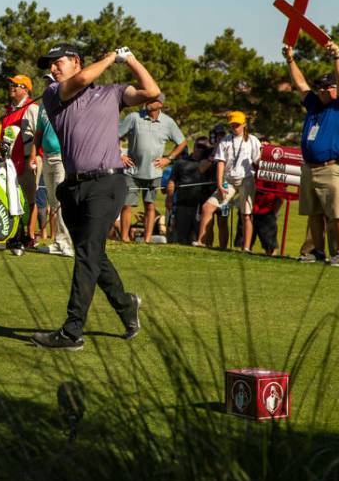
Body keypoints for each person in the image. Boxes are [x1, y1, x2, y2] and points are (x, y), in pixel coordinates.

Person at [30, 44, 159, 351]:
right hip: (73, 187)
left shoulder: (113, 92)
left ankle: (72, 331)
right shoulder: (54, 92)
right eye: (50, 64)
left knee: (87, 254)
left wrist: (131, 60)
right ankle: (126, 305)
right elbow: (80, 81)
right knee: (94, 256)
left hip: (107, 183)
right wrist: (111, 57)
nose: (53, 68)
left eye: (58, 62)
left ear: (75, 60)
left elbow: (152, 92)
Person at [284, 42, 339, 266]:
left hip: (331, 167)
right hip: (310, 167)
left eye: (328, 87)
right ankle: (317, 251)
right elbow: (300, 84)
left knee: (338, 213)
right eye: (320, 88)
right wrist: (290, 60)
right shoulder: (314, 105)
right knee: (314, 213)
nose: (323, 91)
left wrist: (336, 56)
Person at [118, 93, 187, 243]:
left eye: (152, 100)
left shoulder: (168, 122)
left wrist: (168, 159)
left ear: (160, 104)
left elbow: (182, 142)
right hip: (132, 171)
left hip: (154, 173)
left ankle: (147, 240)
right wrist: (120, 155)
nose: (147, 102)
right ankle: (124, 238)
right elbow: (114, 136)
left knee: (150, 205)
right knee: (127, 205)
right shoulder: (134, 117)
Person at [192, 111, 261, 250]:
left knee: (246, 215)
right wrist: (219, 183)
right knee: (207, 207)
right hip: (228, 181)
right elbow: (221, 163)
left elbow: (257, 161)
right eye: (232, 124)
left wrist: (264, 154)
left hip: (246, 179)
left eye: (237, 124)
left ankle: (246, 248)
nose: (235, 126)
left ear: (244, 124)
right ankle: (201, 241)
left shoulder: (253, 140)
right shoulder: (225, 141)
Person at [0, 74, 40, 249]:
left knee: (29, 200)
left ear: (25, 88)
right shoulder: (9, 110)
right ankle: (17, 233)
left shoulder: (32, 108)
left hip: (27, 159)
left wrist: (32, 158)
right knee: (14, 198)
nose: (12, 87)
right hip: (11, 160)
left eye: (15, 85)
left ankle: (29, 236)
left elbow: (38, 135)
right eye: (10, 84)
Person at [28, 104, 73, 256]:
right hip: (46, 156)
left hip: (62, 156)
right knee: (53, 201)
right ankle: (58, 242)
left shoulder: (68, 102)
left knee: (61, 201)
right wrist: (34, 154)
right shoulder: (43, 107)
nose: (49, 85)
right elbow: (39, 133)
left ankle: (67, 244)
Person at [166, 137, 213, 245]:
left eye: (204, 147)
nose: (201, 149)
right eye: (198, 146)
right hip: (182, 204)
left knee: (197, 237)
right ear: (194, 146)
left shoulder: (210, 164)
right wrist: (169, 199)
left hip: (201, 206)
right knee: (181, 238)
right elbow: (172, 181)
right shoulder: (181, 162)